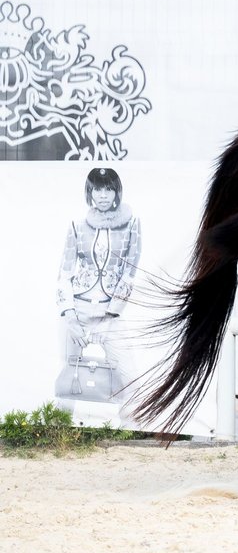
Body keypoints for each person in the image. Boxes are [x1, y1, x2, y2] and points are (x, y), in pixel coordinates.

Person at [55, 167, 142, 404]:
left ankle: (132, 429)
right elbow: (64, 272)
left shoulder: (132, 224)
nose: (103, 195)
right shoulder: (77, 224)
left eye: (108, 189)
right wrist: (70, 318)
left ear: (117, 192)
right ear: (90, 193)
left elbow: (129, 274)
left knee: (129, 375)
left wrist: (110, 316)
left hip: (110, 314)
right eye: (97, 190)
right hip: (77, 311)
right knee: (68, 377)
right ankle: (63, 431)